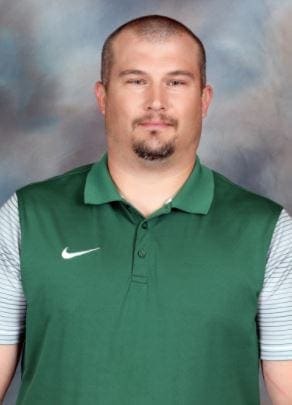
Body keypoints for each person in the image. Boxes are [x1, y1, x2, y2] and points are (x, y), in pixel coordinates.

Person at [0, 14, 291, 405]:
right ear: (102, 97)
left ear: (204, 100)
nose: (157, 101)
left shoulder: (268, 232)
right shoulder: (26, 218)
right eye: (136, 80)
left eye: (176, 82)